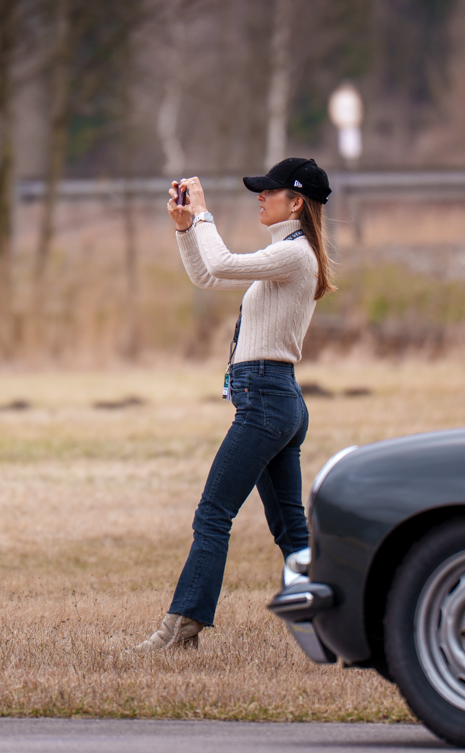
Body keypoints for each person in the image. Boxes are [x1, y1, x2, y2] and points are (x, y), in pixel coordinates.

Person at [133, 157, 336, 652]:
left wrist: (203, 214)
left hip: (266, 401)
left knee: (213, 514)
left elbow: (221, 263)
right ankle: (334, 624)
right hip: (276, 401)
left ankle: (181, 628)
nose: (260, 197)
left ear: (297, 203)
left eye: (269, 191)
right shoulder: (285, 255)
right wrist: (186, 229)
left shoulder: (296, 255)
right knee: (290, 530)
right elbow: (209, 276)